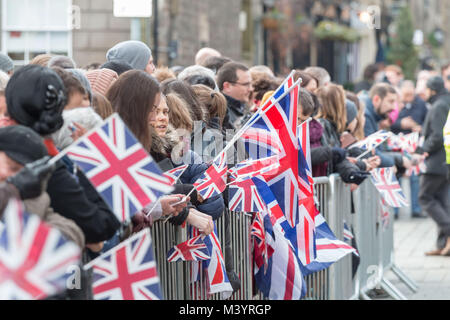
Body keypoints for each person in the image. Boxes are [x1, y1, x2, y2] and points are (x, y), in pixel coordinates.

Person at [0, 125, 85, 249]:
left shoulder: (38, 202)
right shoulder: (12, 189)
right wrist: (10, 191)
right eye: (8, 165)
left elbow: (73, 235)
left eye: (18, 171)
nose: (5, 173)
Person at [415, 76, 450, 256]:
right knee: (443, 202)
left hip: (438, 161)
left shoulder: (439, 106)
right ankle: (443, 244)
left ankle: (448, 234)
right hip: (445, 162)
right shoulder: (445, 102)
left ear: (433, 90)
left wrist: (422, 150)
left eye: (426, 89)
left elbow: (437, 135)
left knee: (425, 197)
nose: (424, 93)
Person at [216, 62, 253, 130]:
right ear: (227, 86)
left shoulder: (241, 108)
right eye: (246, 84)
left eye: (251, 84)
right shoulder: (220, 114)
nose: (251, 89)